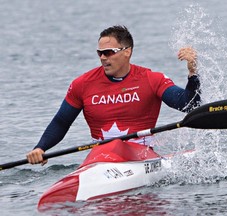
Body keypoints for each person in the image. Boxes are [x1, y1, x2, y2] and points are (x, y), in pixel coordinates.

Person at [26, 25, 201, 165]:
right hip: (100, 158)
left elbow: (188, 104)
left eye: (108, 52)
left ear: (127, 52)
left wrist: (193, 72)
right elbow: (61, 122)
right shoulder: (82, 84)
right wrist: (41, 148)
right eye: (99, 53)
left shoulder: (150, 79)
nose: (102, 57)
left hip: (141, 156)